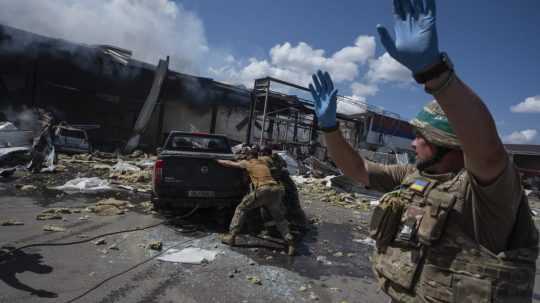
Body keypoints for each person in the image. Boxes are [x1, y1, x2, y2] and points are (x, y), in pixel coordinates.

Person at [308, 1, 538, 302]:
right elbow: (357, 170)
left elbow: (489, 152)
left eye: (421, 137)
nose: (413, 144)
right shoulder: (415, 175)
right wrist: (330, 129)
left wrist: (435, 73)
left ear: (452, 146)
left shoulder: (484, 193)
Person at [216, 148, 296, 256]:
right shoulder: (264, 160)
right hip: (276, 190)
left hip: (263, 189)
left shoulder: (247, 163)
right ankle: (290, 242)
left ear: (249, 156)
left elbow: (229, 163)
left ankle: (231, 237)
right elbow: (274, 159)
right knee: (279, 218)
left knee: (241, 208)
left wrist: (216, 160)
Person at [259, 146, 308, 234]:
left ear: (266, 153)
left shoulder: (273, 161)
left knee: (290, 206)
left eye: (262, 153)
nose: (261, 155)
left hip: (286, 188)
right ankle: (298, 224)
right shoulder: (275, 160)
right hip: (284, 186)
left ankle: (300, 225)